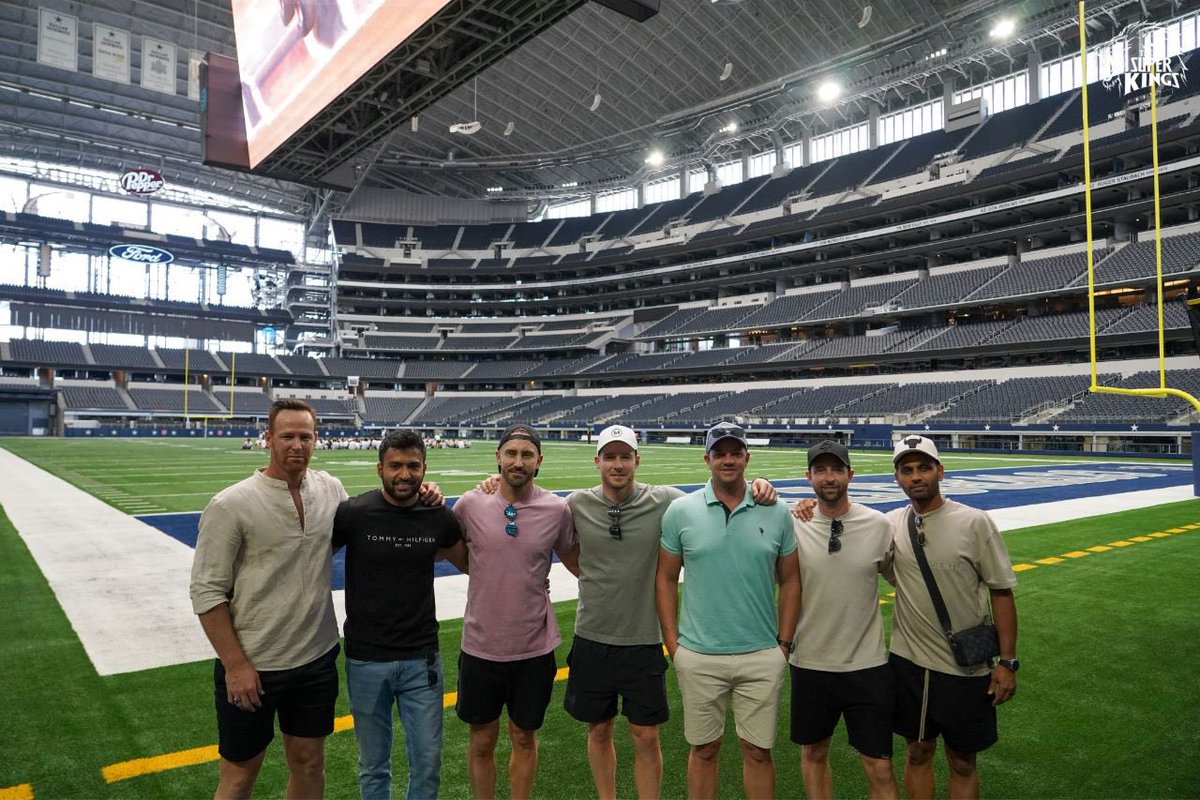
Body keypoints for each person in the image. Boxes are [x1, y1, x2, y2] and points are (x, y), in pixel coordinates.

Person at [563, 424, 780, 800]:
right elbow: (557, 541)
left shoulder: (665, 500)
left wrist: (760, 481)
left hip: (643, 638)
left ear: (637, 460)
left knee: (646, 735)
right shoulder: (576, 503)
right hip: (592, 634)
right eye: (610, 457)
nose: (618, 464)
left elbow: (718, 491)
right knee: (598, 730)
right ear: (597, 461)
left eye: (625, 457)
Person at [190, 398, 347, 799]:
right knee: (239, 776)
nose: (297, 445)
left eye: (306, 436)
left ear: (317, 440)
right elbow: (206, 590)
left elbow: (368, 526)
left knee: (310, 764)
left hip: (316, 657)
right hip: (254, 664)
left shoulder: (331, 489)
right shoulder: (231, 503)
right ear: (268, 439)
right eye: (287, 436)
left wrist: (428, 491)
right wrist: (235, 664)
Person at [656, 422, 800, 800]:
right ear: (707, 459)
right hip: (700, 654)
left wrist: (782, 645)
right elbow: (665, 579)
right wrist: (675, 646)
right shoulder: (680, 511)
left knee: (758, 751)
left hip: (760, 654)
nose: (728, 459)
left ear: (747, 458)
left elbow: (791, 581)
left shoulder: (777, 511)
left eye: (735, 452)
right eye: (720, 453)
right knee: (704, 750)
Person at [332, 429, 468, 800]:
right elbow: (307, 561)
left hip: (420, 658)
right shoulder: (354, 513)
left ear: (425, 468)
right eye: (395, 465)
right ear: (380, 469)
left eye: (412, 466)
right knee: (373, 765)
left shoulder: (438, 516)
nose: (404, 474)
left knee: (427, 761)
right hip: (365, 658)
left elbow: (474, 565)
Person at [887, 435, 1019, 800]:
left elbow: (1002, 592)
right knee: (917, 752)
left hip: (966, 668)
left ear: (940, 471)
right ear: (897, 477)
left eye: (924, 467)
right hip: (909, 664)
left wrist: (1007, 662)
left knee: (962, 761)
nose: (916, 476)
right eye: (907, 469)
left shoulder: (974, 522)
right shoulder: (891, 524)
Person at [452, 423, 579, 800]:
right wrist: (497, 573)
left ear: (539, 460)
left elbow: (576, 561)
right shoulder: (469, 504)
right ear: (498, 457)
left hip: (534, 647)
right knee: (481, 739)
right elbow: (460, 555)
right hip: (480, 645)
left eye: (526, 454)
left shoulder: (557, 509)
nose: (518, 461)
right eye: (511, 453)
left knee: (524, 736)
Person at [789, 440, 898, 800]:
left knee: (880, 766)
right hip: (810, 662)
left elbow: (903, 580)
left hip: (866, 665)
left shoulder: (878, 525)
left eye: (837, 469)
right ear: (809, 477)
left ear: (851, 474)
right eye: (820, 470)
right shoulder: (792, 523)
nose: (829, 477)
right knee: (814, 753)